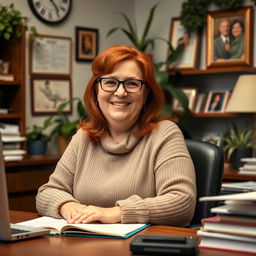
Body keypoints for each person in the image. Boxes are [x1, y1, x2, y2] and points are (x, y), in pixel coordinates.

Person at [36, 45, 196, 226]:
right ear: (96, 90)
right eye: (110, 82)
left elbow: (182, 201)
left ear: (146, 95)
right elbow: (47, 192)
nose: (120, 92)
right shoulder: (83, 137)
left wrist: (117, 212)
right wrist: (67, 206)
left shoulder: (164, 134)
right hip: (84, 245)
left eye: (132, 83)